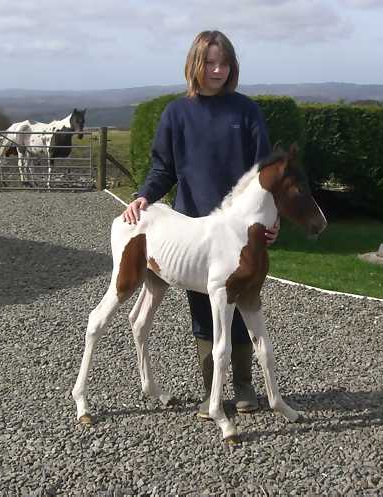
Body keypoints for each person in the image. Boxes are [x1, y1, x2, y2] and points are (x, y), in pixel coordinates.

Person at [122, 30, 280, 419]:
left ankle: (244, 386)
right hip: (193, 228)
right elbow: (163, 168)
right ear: (196, 64)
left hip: (241, 234)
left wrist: (272, 222)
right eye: (210, 62)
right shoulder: (176, 113)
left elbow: (265, 174)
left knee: (242, 307)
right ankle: (212, 391)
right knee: (204, 310)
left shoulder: (246, 111)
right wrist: (144, 195)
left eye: (224, 63)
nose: (218, 70)